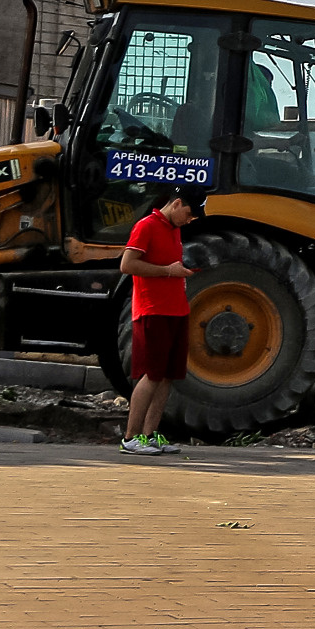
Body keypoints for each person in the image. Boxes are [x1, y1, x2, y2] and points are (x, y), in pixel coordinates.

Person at [118, 178, 203, 456]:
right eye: (189, 214)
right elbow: (127, 264)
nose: (190, 220)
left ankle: (150, 434)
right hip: (152, 310)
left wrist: (181, 273)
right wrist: (168, 271)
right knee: (153, 375)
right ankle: (130, 437)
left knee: (168, 376)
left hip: (176, 309)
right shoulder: (146, 226)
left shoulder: (174, 230)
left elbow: (170, 265)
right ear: (176, 203)